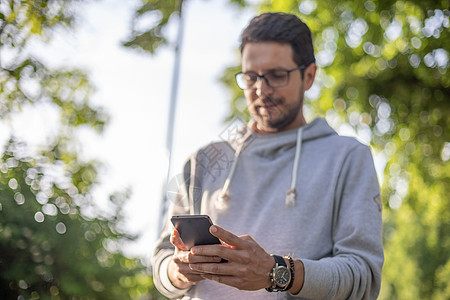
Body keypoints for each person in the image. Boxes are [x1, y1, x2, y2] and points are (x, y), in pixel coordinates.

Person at [153, 12, 384, 300]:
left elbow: (363, 278)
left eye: (277, 75)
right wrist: (177, 272)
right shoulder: (203, 161)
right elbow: (163, 260)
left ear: (309, 75)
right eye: (251, 77)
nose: (261, 90)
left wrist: (276, 272)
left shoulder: (348, 158)